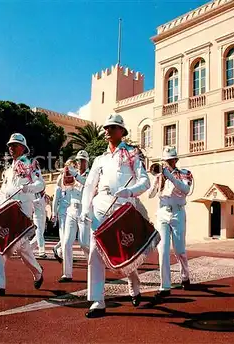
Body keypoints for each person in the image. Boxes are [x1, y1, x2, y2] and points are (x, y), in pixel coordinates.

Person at [80, 113, 150, 318]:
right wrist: (86, 209)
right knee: (95, 251)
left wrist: (130, 192)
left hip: (123, 208)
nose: (108, 130)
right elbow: (89, 187)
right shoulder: (99, 159)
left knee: (124, 252)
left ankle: (133, 280)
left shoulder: (132, 154)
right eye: (106, 127)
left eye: (112, 127)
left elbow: (145, 181)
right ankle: (98, 301)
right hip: (100, 206)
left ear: (122, 131)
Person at [0, 133, 44, 297]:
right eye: (10, 145)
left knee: (4, 246)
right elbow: (3, 193)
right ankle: (37, 272)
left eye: (15, 145)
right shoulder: (8, 171)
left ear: (23, 148)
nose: (11, 147)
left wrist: (28, 188)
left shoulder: (30, 165)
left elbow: (40, 184)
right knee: (18, 246)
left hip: (22, 211)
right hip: (7, 210)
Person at [148, 146, 193, 303]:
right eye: (165, 161)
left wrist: (170, 176)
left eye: (169, 160)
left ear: (175, 160)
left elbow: (186, 189)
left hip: (178, 213)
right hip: (162, 213)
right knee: (163, 249)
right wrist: (155, 181)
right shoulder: (161, 176)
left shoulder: (184, 173)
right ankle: (164, 286)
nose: (166, 163)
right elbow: (150, 195)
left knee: (180, 250)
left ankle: (185, 276)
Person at [60, 150, 90, 282]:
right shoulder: (73, 174)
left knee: (84, 243)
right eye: (78, 160)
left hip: (84, 211)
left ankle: (93, 269)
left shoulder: (90, 175)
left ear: (87, 162)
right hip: (71, 209)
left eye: (82, 160)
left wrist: (75, 175)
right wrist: (65, 177)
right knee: (66, 243)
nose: (79, 162)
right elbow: (65, 189)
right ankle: (67, 274)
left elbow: (88, 184)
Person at [51, 159, 73, 263]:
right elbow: (56, 198)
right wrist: (53, 213)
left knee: (70, 236)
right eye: (70, 165)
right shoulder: (60, 179)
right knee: (64, 235)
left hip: (73, 210)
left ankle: (58, 249)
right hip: (63, 211)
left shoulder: (75, 178)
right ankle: (63, 254)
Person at [30, 161, 47, 258]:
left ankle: (28, 248)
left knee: (40, 233)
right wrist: (39, 199)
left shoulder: (39, 177)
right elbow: (32, 201)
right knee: (39, 232)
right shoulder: (33, 192)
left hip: (43, 213)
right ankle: (42, 251)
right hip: (36, 214)